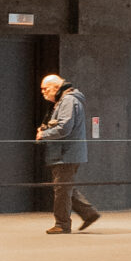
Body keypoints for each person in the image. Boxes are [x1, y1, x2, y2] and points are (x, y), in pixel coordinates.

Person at [36, 71, 99, 232]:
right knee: (64, 187)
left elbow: (64, 128)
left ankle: (62, 224)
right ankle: (88, 213)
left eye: (45, 89)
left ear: (56, 87)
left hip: (66, 154)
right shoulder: (64, 101)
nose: (43, 92)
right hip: (64, 154)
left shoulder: (68, 101)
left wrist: (44, 134)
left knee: (62, 189)